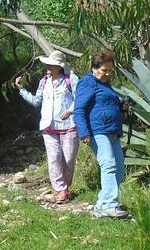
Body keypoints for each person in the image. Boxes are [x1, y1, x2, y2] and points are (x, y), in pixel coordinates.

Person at [73, 50, 130, 219]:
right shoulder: (87, 82)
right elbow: (79, 109)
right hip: (97, 131)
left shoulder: (106, 85)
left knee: (119, 170)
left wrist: (122, 107)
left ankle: (101, 205)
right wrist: (84, 132)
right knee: (108, 164)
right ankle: (111, 205)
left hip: (112, 131)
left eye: (111, 70)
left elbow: (104, 106)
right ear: (94, 68)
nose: (108, 74)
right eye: (105, 70)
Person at [16, 52, 79, 203]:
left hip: (69, 125)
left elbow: (80, 98)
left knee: (69, 158)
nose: (47, 67)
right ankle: (61, 189)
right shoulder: (44, 81)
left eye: (50, 64)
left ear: (59, 66)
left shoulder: (71, 79)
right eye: (47, 64)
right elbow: (36, 101)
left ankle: (65, 186)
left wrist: (70, 110)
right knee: (54, 158)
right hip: (48, 126)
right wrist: (21, 89)